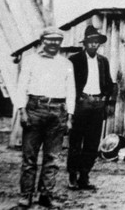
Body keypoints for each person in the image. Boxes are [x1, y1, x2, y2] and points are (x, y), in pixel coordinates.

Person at [14, 27, 75, 209]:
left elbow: (71, 91)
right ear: (42, 41)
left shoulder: (66, 64)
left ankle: (46, 195)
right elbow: (21, 87)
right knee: (29, 157)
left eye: (57, 40)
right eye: (49, 40)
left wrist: (70, 116)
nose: (53, 44)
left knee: (52, 158)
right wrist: (22, 111)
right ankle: (26, 195)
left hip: (58, 112)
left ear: (60, 43)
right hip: (35, 109)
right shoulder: (30, 61)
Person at [67, 25, 114, 191]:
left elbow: (109, 83)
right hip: (81, 103)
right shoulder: (74, 60)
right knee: (75, 141)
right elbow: (69, 84)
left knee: (92, 142)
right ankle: (72, 175)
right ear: (85, 43)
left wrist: (106, 99)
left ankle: (84, 176)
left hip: (97, 105)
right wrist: (73, 105)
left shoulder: (103, 61)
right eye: (91, 42)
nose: (94, 45)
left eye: (97, 42)